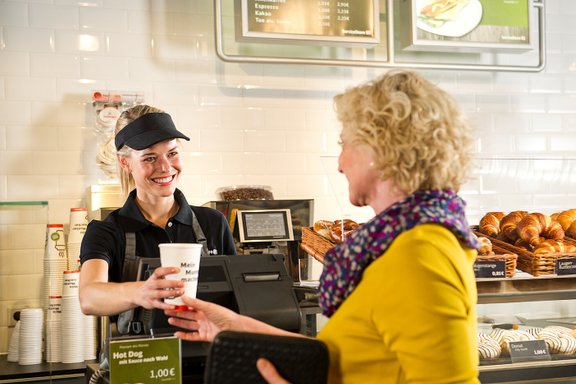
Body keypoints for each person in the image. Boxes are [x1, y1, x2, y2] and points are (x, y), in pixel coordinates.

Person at [166, 70, 480, 383]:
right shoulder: (398, 242)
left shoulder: (420, 253)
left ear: (380, 148)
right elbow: (351, 357)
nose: (340, 162)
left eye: (345, 143)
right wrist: (234, 326)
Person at [79, 105, 236, 328]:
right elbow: (89, 297)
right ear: (125, 163)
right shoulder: (107, 231)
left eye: (172, 153)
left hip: (208, 356)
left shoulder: (213, 223)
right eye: (150, 158)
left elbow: (236, 296)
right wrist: (140, 292)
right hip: (143, 358)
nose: (165, 167)